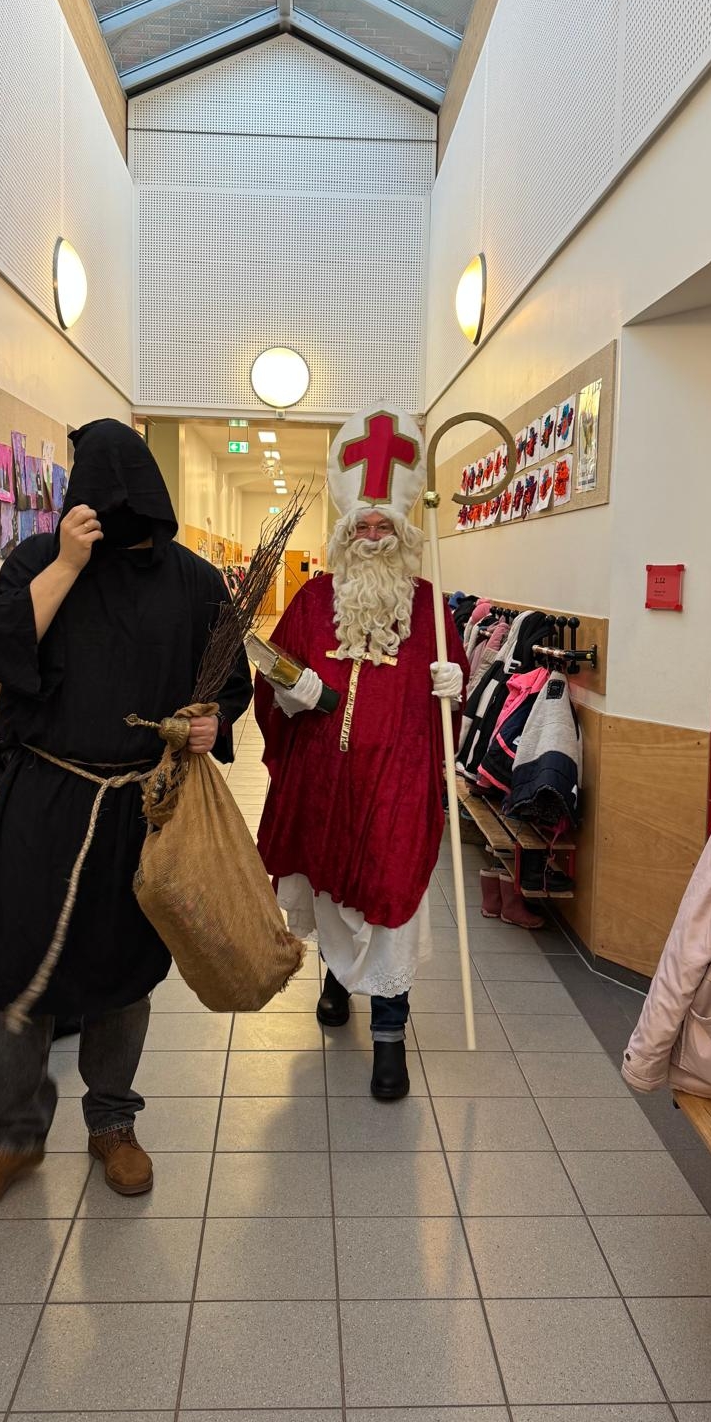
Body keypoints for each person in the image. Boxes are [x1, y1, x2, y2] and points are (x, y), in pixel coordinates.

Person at [0, 419, 252, 1218]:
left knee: (122, 973)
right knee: (19, 968)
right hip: (42, 800)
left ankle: (112, 1123)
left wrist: (213, 719)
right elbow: (1, 645)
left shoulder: (193, 581)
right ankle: (12, 1135)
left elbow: (231, 683)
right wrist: (68, 563)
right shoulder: (40, 560)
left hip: (137, 808)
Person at [255, 409, 467, 1100]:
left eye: (385, 529)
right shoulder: (314, 600)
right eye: (362, 528)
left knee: (390, 902)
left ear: (405, 536)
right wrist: (291, 692)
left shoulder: (431, 607)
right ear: (344, 535)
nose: (373, 539)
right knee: (329, 894)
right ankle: (336, 981)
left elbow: (451, 701)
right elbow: (272, 675)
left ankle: (389, 1038)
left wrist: (455, 685)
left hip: (399, 786)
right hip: (324, 785)